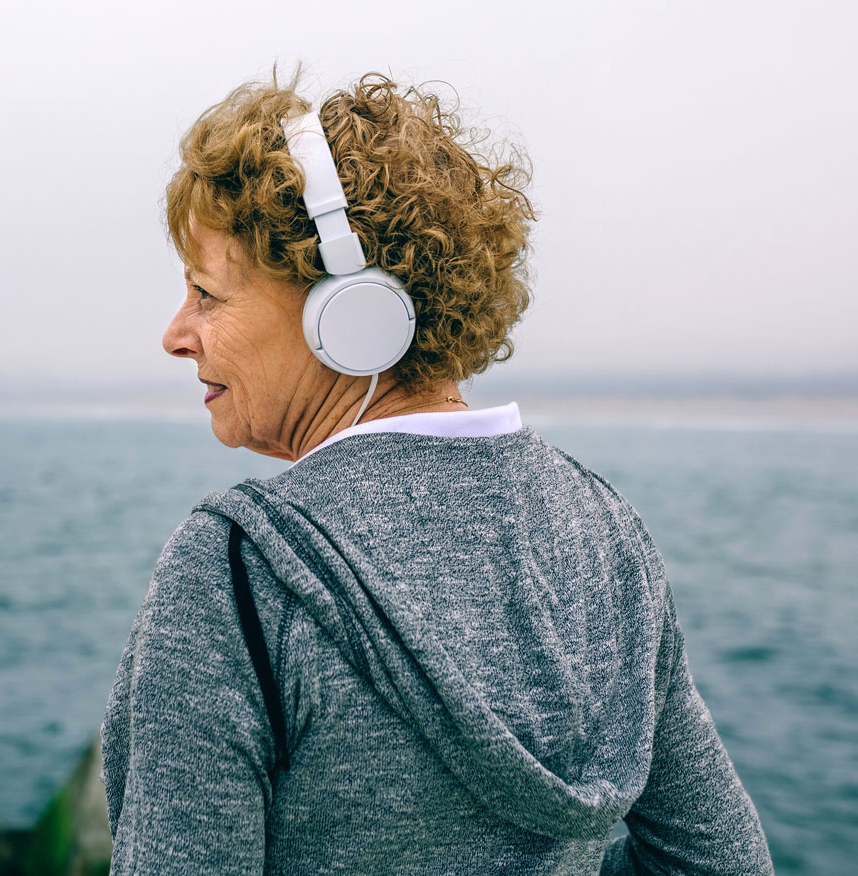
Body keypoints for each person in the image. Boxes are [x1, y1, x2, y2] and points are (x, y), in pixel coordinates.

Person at [99, 70, 773, 875]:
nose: (177, 334)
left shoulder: (240, 574)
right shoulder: (607, 534)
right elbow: (722, 861)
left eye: (207, 294)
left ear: (350, 316)